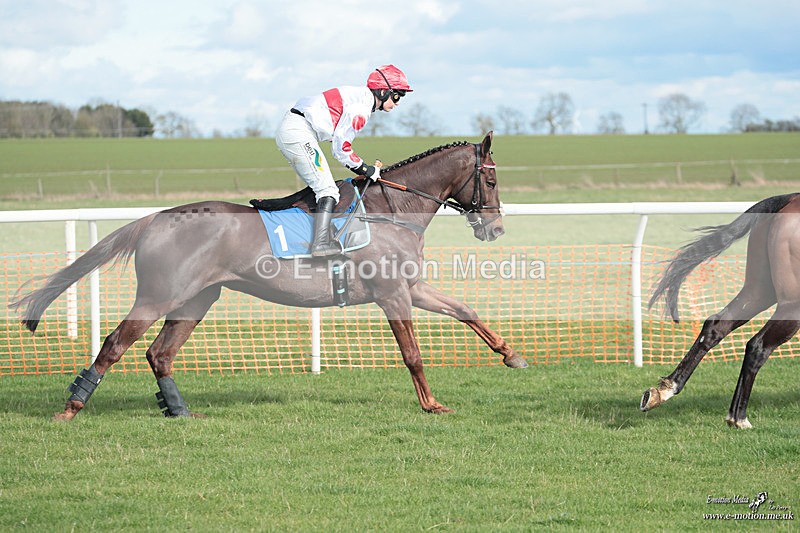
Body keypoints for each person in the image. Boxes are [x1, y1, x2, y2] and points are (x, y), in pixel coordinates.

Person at [275, 64, 413, 257]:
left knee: (325, 186)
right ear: (383, 91)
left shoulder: (361, 99)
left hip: (298, 129)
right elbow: (340, 149)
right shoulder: (361, 110)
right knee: (328, 190)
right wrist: (366, 169)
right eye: (397, 95)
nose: (398, 102)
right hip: (298, 132)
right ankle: (320, 245)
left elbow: (338, 143)